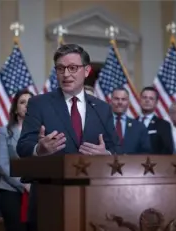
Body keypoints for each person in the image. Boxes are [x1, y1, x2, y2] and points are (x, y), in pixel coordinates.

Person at [16, 44, 120, 229]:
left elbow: (117, 149)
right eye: (60, 68)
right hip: (50, 197)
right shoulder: (39, 103)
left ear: (86, 70)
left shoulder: (102, 108)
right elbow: (23, 146)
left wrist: (107, 155)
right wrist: (39, 149)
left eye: (72, 68)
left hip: (93, 197)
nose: (66, 74)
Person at [0, 89, 33, 231]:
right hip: (12, 192)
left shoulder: (43, 132)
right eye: (22, 102)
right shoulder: (4, 131)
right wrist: (24, 185)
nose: (26, 105)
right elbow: (1, 164)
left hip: (38, 192)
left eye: (30, 103)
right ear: (16, 109)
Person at [110, 87, 151, 154]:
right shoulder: (102, 123)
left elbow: (145, 152)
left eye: (123, 99)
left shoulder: (139, 127)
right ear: (111, 101)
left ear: (128, 102)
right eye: (116, 99)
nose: (120, 102)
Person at [138, 86, 173, 154]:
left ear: (156, 103)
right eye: (144, 97)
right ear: (140, 100)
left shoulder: (164, 125)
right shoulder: (131, 123)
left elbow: (167, 151)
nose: (147, 100)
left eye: (151, 98)